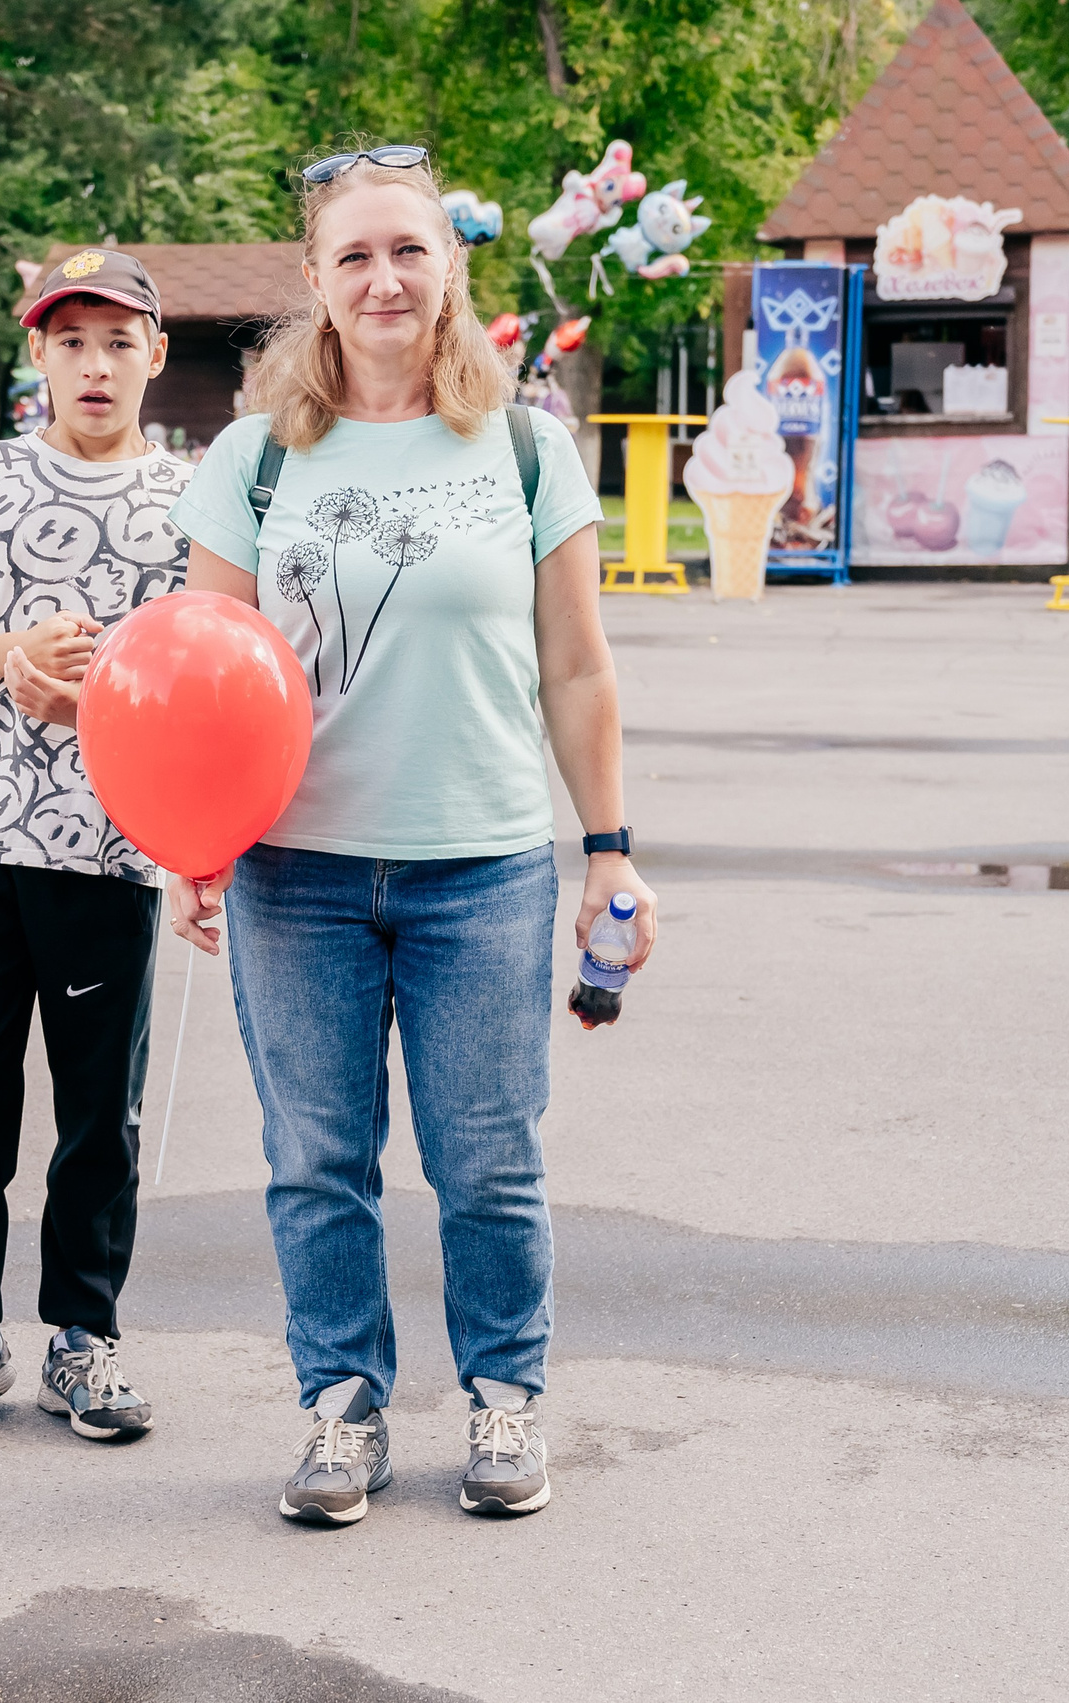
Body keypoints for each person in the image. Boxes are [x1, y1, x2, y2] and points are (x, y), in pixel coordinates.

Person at [161, 147, 658, 1525]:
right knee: (317, 1155)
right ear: (315, 282)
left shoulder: (522, 446)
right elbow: (204, 673)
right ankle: (341, 1405)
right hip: (294, 870)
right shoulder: (257, 458)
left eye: (410, 251)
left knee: (487, 1157)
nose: (385, 278)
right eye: (356, 255)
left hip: (484, 865)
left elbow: (578, 667)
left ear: (450, 272)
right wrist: (190, 843)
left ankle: (506, 1398)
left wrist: (608, 847)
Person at [0, 246, 189, 1443]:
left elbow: (206, 667)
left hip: (109, 842)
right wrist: (7, 654)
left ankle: (84, 1332)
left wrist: (115, 695)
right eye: (71, 342)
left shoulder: (195, 498)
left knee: (95, 1107)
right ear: (40, 357)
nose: (96, 364)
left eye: (119, 341)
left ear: (156, 355)